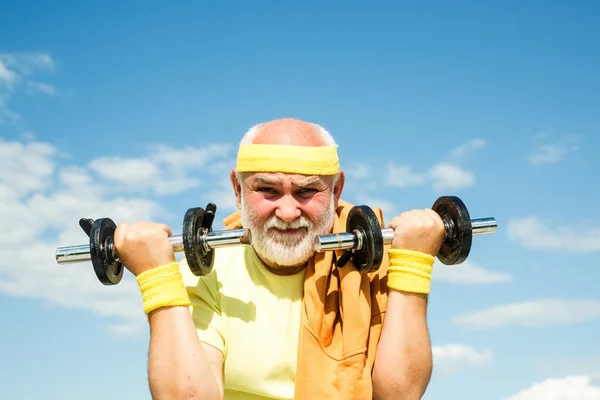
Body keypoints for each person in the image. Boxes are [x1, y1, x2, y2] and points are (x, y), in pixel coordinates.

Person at [113, 118, 446, 400]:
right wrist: (156, 278)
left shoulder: (381, 261)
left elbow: (400, 393)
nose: (287, 212)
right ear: (238, 189)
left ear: (336, 189)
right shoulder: (205, 274)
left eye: (306, 192)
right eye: (268, 191)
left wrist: (414, 264)